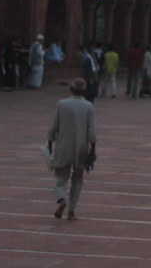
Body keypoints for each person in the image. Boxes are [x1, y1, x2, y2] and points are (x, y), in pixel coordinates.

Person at [47, 78, 97, 221]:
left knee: (61, 177)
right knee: (77, 179)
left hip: (63, 146)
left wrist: (50, 142)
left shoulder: (62, 104)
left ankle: (61, 199)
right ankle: (71, 211)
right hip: (81, 147)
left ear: (71, 89)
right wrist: (92, 149)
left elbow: (53, 125)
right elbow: (92, 132)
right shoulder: (88, 106)